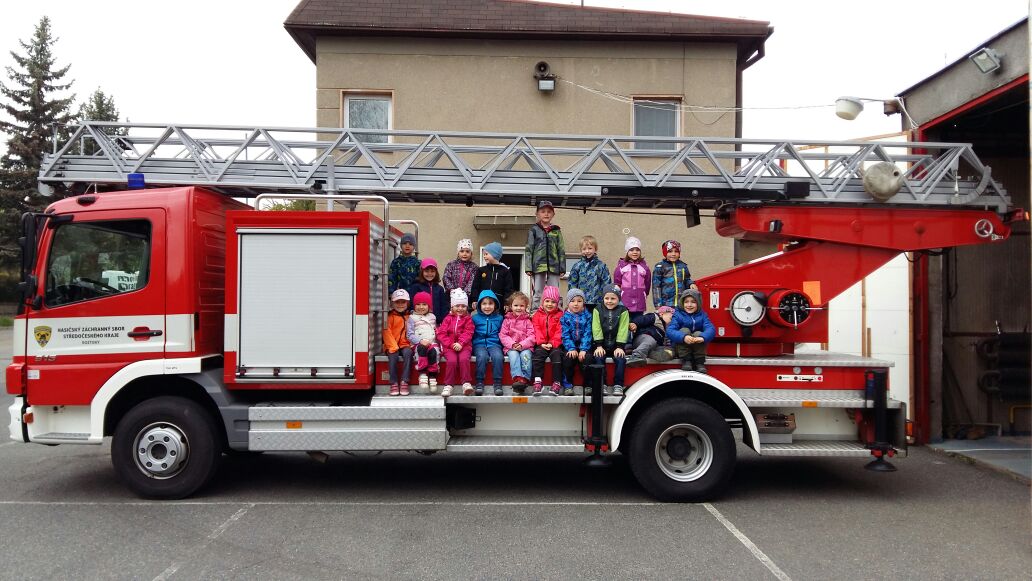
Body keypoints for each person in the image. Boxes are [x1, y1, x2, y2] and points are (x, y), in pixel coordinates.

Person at [524, 200, 565, 312]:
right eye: (543, 211)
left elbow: (561, 249)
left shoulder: (556, 230)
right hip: (538, 266)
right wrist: (528, 267)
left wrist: (562, 268)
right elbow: (529, 249)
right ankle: (535, 312)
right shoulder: (534, 230)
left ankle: (557, 311)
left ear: (553, 214)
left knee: (554, 290)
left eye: (549, 212)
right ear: (537, 214)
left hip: (554, 266)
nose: (546, 214)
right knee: (538, 290)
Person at [592, 284, 632, 396]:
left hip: (616, 345)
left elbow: (623, 329)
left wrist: (620, 347)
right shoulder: (597, 309)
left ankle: (618, 385)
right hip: (602, 345)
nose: (609, 301)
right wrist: (599, 345)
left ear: (618, 299)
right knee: (598, 358)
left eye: (613, 298)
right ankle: (602, 384)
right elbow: (596, 327)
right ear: (603, 298)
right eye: (607, 298)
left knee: (620, 359)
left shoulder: (623, 311)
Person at [436, 288, 474, 398]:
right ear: (452, 307)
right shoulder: (447, 319)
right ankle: (448, 385)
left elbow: (468, 332)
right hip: (449, 347)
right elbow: (441, 334)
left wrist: (461, 343)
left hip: (464, 346)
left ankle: (466, 383)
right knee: (452, 361)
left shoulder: (468, 319)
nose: (460, 308)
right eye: (457, 306)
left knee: (464, 359)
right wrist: (451, 344)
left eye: (463, 306)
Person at [667, 289, 715, 374]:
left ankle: (700, 362)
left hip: (697, 347)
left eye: (693, 302)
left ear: (698, 303)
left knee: (698, 333)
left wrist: (702, 338)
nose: (689, 305)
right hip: (681, 350)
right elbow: (670, 330)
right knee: (684, 330)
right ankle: (686, 361)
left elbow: (710, 328)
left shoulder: (702, 315)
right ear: (682, 303)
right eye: (686, 302)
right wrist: (683, 337)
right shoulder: (678, 315)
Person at [499, 291, 535, 394]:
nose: (518, 308)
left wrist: (522, 345)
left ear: (526, 307)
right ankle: (517, 378)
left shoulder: (527, 321)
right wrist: (513, 344)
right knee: (514, 356)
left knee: (525, 356)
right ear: (511, 306)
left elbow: (532, 336)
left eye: (521, 306)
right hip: (511, 347)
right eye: (516, 305)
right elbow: (503, 335)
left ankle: (525, 378)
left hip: (525, 347)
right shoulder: (507, 320)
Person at [560, 288, 594, 396]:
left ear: (583, 303)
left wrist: (584, 349)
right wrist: (571, 348)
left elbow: (588, 333)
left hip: (584, 345)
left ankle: (588, 385)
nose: (576, 304)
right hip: (570, 346)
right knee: (568, 359)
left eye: (579, 301)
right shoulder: (565, 317)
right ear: (568, 303)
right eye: (572, 301)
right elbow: (565, 334)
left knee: (587, 359)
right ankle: (568, 385)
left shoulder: (588, 316)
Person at [531, 285, 564, 396]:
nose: (550, 304)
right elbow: (536, 329)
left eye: (553, 302)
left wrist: (552, 343)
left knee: (557, 356)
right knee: (537, 355)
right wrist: (541, 343)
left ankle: (556, 383)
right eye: (547, 301)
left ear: (557, 303)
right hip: (542, 344)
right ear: (543, 302)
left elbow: (560, 331)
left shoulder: (560, 315)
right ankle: (538, 381)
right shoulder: (537, 315)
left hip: (555, 344)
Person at [471, 289, 505, 396]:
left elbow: (502, 333)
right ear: (479, 305)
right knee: (482, 357)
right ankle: (479, 383)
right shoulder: (475, 318)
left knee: (498, 357)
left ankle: (497, 383)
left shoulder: (499, 318)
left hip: (494, 344)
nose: (487, 307)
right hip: (479, 344)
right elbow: (470, 333)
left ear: (495, 305)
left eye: (490, 304)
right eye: (484, 304)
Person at [406, 291, 440, 394]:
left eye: (424, 304)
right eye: (418, 304)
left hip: (432, 342)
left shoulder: (432, 317)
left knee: (434, 352)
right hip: (419, 343)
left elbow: (435, 329)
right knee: (422, 349)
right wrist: (420, 341)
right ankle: (422, 374)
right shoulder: (412, 318)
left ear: (429, 306)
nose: (421, 307)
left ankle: (433, 377)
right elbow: (409, 335)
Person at [567, 235, 611, 312]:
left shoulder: (601, 266)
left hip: (597, 301)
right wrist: (573, 299)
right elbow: (572, 283)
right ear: (581, 250)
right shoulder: (577, 266)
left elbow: (606, 282)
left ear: (595, 249)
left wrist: (606, 298)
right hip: (581, 302)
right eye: (584, 249)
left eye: (590, 248)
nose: (587, 251)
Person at [383, 289, 413, 397]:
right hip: (392, 345)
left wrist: (411, 344)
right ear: (392, 303)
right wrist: (393, 346)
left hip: (405, 345)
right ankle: (394, 382)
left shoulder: (410, 317)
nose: (400, 304)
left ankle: (405, 381)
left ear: (407, 303)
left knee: (408, 353)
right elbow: (386, 332)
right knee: (393, 356)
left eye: (403, 302)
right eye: (397, 302)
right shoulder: (390, 317)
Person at [652, 239, 696, 309]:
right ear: (665, 253)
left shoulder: (683, 266)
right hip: (666, 304)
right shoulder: (660, 267)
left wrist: (691, 283)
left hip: (681, 304)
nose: (673, 254)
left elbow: (687, 279)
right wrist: (658, 305)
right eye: (670, 251)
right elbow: (656, 287)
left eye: (676, 251)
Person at [613, 236, 651, 319]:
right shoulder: (621, 266)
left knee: (638, 321)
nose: (635, 252)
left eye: (637, 250)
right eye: (631, 250)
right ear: (627, 251)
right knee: (625, 321)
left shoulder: (644, 267)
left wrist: (645, 293)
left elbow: (647, 283)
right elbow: (617, 283)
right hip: (625, 300)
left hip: (639, 300)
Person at [470, 241, 513, 310]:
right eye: (484, 254)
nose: (484, 256)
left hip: (499, 304)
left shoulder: (505, 271)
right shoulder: (481, 270)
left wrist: (507, 303)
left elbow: (508, 289)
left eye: (486, 254)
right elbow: (475, 286)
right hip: (483, 303)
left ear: (494, 254)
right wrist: (474, 299)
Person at [407, 258, 449, 322]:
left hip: (437, 321)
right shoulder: (416, 286)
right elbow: (412, 304)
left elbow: (443, 306)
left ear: (436, 272)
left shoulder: (439, 288)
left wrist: (442, 320)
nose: (429, 274)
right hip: (420, 321)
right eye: (426, 271)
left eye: (432, 271)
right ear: (422, 272)